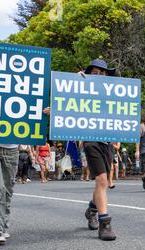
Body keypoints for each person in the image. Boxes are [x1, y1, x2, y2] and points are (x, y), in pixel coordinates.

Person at [44, 58, 118, 240]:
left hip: (107, 141)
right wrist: (74, 85)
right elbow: (68, 106)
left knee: (103, 183)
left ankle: (92, 209)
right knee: (102, 181)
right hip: (90, 139)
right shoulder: (81, 90)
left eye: (102, 73)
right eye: (94, 72)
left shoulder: (112, 94)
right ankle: (105, 223)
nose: (98, 75)